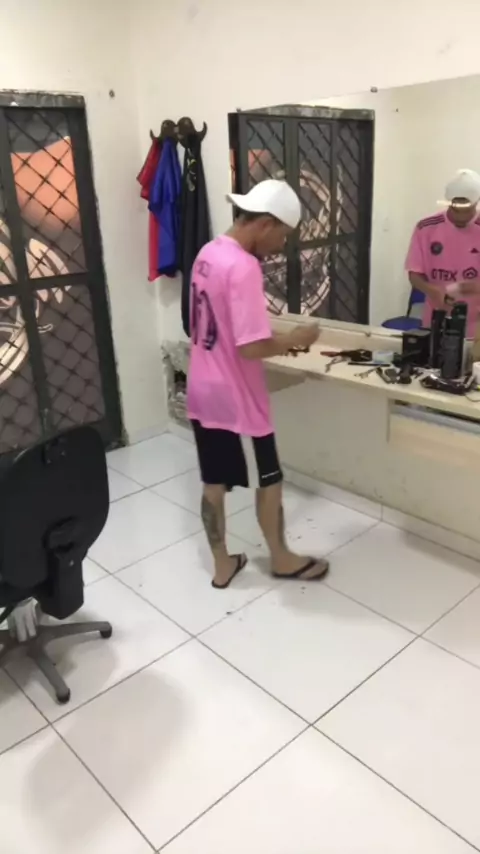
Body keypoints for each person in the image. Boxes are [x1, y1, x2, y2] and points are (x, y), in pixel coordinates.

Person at [187, 179, 327, 589]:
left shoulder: (208, 253)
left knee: (214, 482)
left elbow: (220, 323)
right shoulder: (244, 266)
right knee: (270, 478)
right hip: (237, 398)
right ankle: (281, 559)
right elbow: (251, 347)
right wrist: (295, 339)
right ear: (266, 224)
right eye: (282, 236)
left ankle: (222, 565)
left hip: (202, 387)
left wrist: (276, 336)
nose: (280, 246)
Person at [405, 168, 480, 338]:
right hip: (436, 321)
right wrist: (433, 290)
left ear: (476, 203)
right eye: (456, 210)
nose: (461, 218)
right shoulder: (426, 228)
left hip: (476, 327)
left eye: (467, 211)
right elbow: (414, 275)